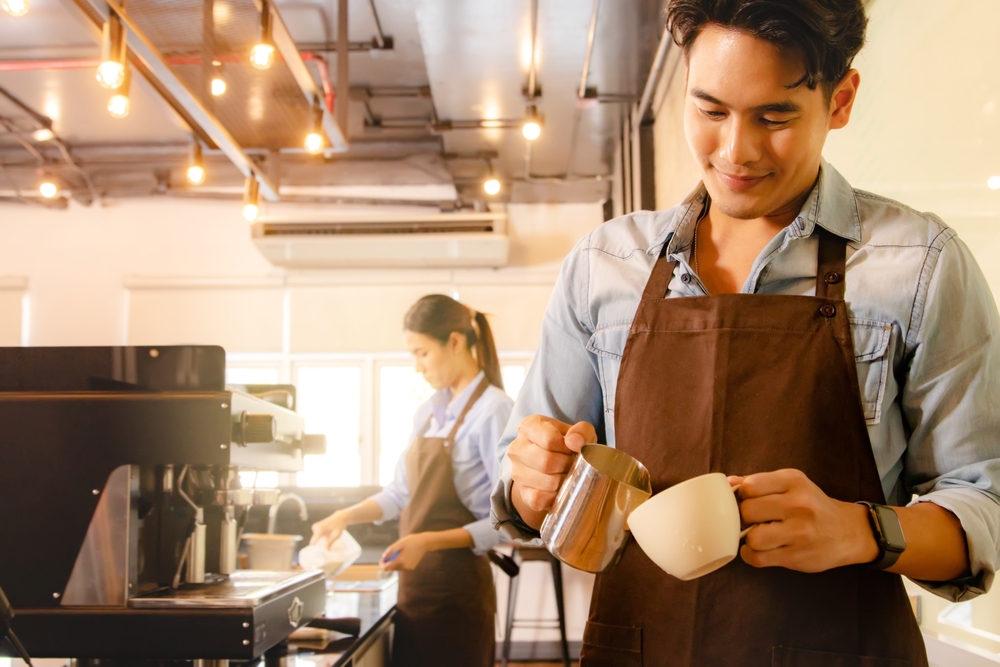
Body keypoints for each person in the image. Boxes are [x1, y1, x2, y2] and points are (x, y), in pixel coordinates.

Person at [491, 1, 1000, 665]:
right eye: (710, 110)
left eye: (775, 116)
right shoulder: (603, 266)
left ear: (840, 100)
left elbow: (983, 503)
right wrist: (529, 482)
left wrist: (859, 529)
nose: (736, 151)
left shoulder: (921, 264)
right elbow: (526, 481)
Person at [312, 295, 513, 667]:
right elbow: (399, 493)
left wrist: (428, 542)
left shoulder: (494, 411)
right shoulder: (428, 412)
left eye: (422, 353)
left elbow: (508, 521)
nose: (418, 367)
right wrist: (343, 516)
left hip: (458, 594)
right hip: (415, 589)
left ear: (454, 342)